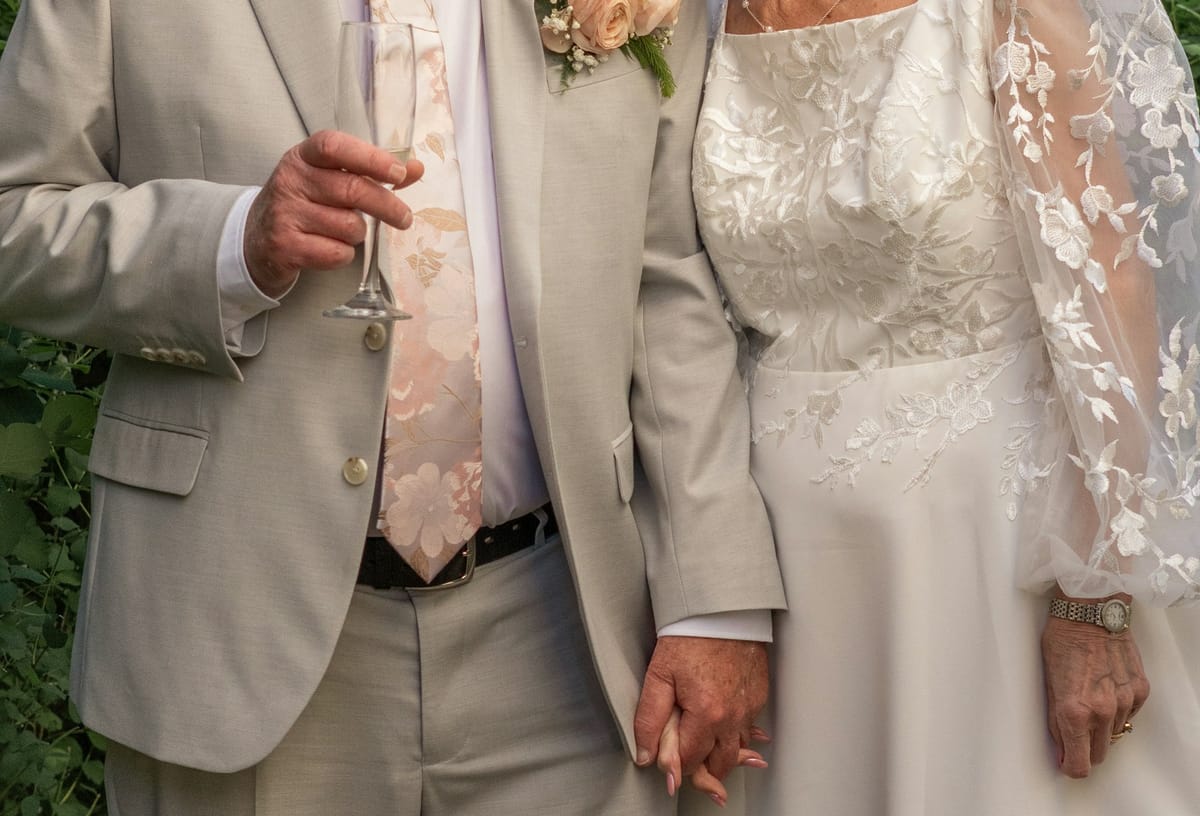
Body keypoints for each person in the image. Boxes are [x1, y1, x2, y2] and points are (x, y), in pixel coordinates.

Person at [0, 0, 787, 813]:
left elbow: (666, 278)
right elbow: (13, 214)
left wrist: (715, 598)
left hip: (568, 644)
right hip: (238, 632)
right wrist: (231, 242)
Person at [680, 0, 1200, 812]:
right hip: (787, 573)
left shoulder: (1008, 9)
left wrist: (1092, 594)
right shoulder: (691, 22)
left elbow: (1114, 283)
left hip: (993, 548)